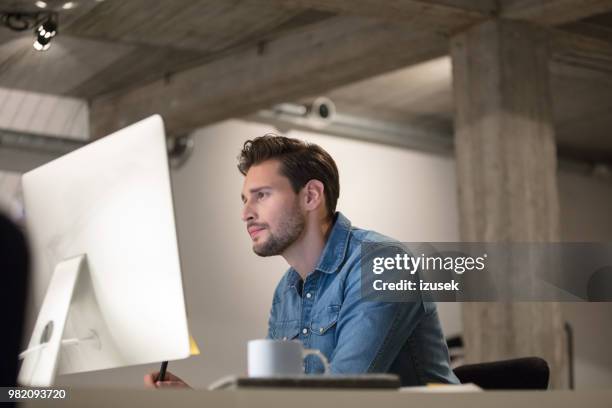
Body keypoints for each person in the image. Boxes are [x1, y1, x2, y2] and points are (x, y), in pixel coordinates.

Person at [145, 135, 458, 388]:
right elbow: (270, 400)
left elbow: (343, 396)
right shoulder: (287, 289)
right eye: (244, 200)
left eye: (262, 195)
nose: (246, 213)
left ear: (310, 196)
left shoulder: (381, 265)